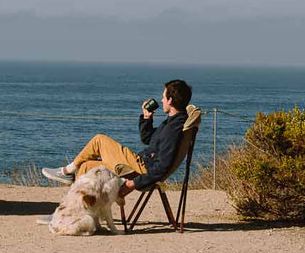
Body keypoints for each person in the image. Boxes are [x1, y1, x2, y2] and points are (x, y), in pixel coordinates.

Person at [41, 79, 193, 200]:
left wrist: (133, 183)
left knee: (99, 139)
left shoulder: (174, 128)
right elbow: (148, 139)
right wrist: (147, 118)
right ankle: (71, 210)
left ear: (171, 100)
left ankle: (66, 171)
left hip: (143, 167)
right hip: (141, 163)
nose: (161, 100)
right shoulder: (172, 122)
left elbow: (162, 166)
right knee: (86, 166)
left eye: (163, 97)